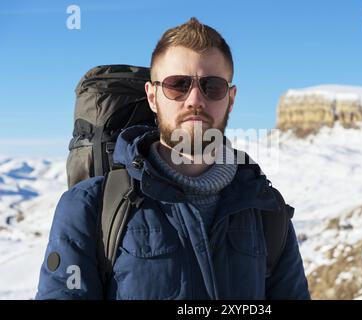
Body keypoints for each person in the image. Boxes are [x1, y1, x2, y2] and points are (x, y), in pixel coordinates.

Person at [36, 17, 310, 300]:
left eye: (212, 86)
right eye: (177, 85)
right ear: (152, 97)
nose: (194, 99)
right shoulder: (89, 206)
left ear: (230, 98)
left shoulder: (267, 210)